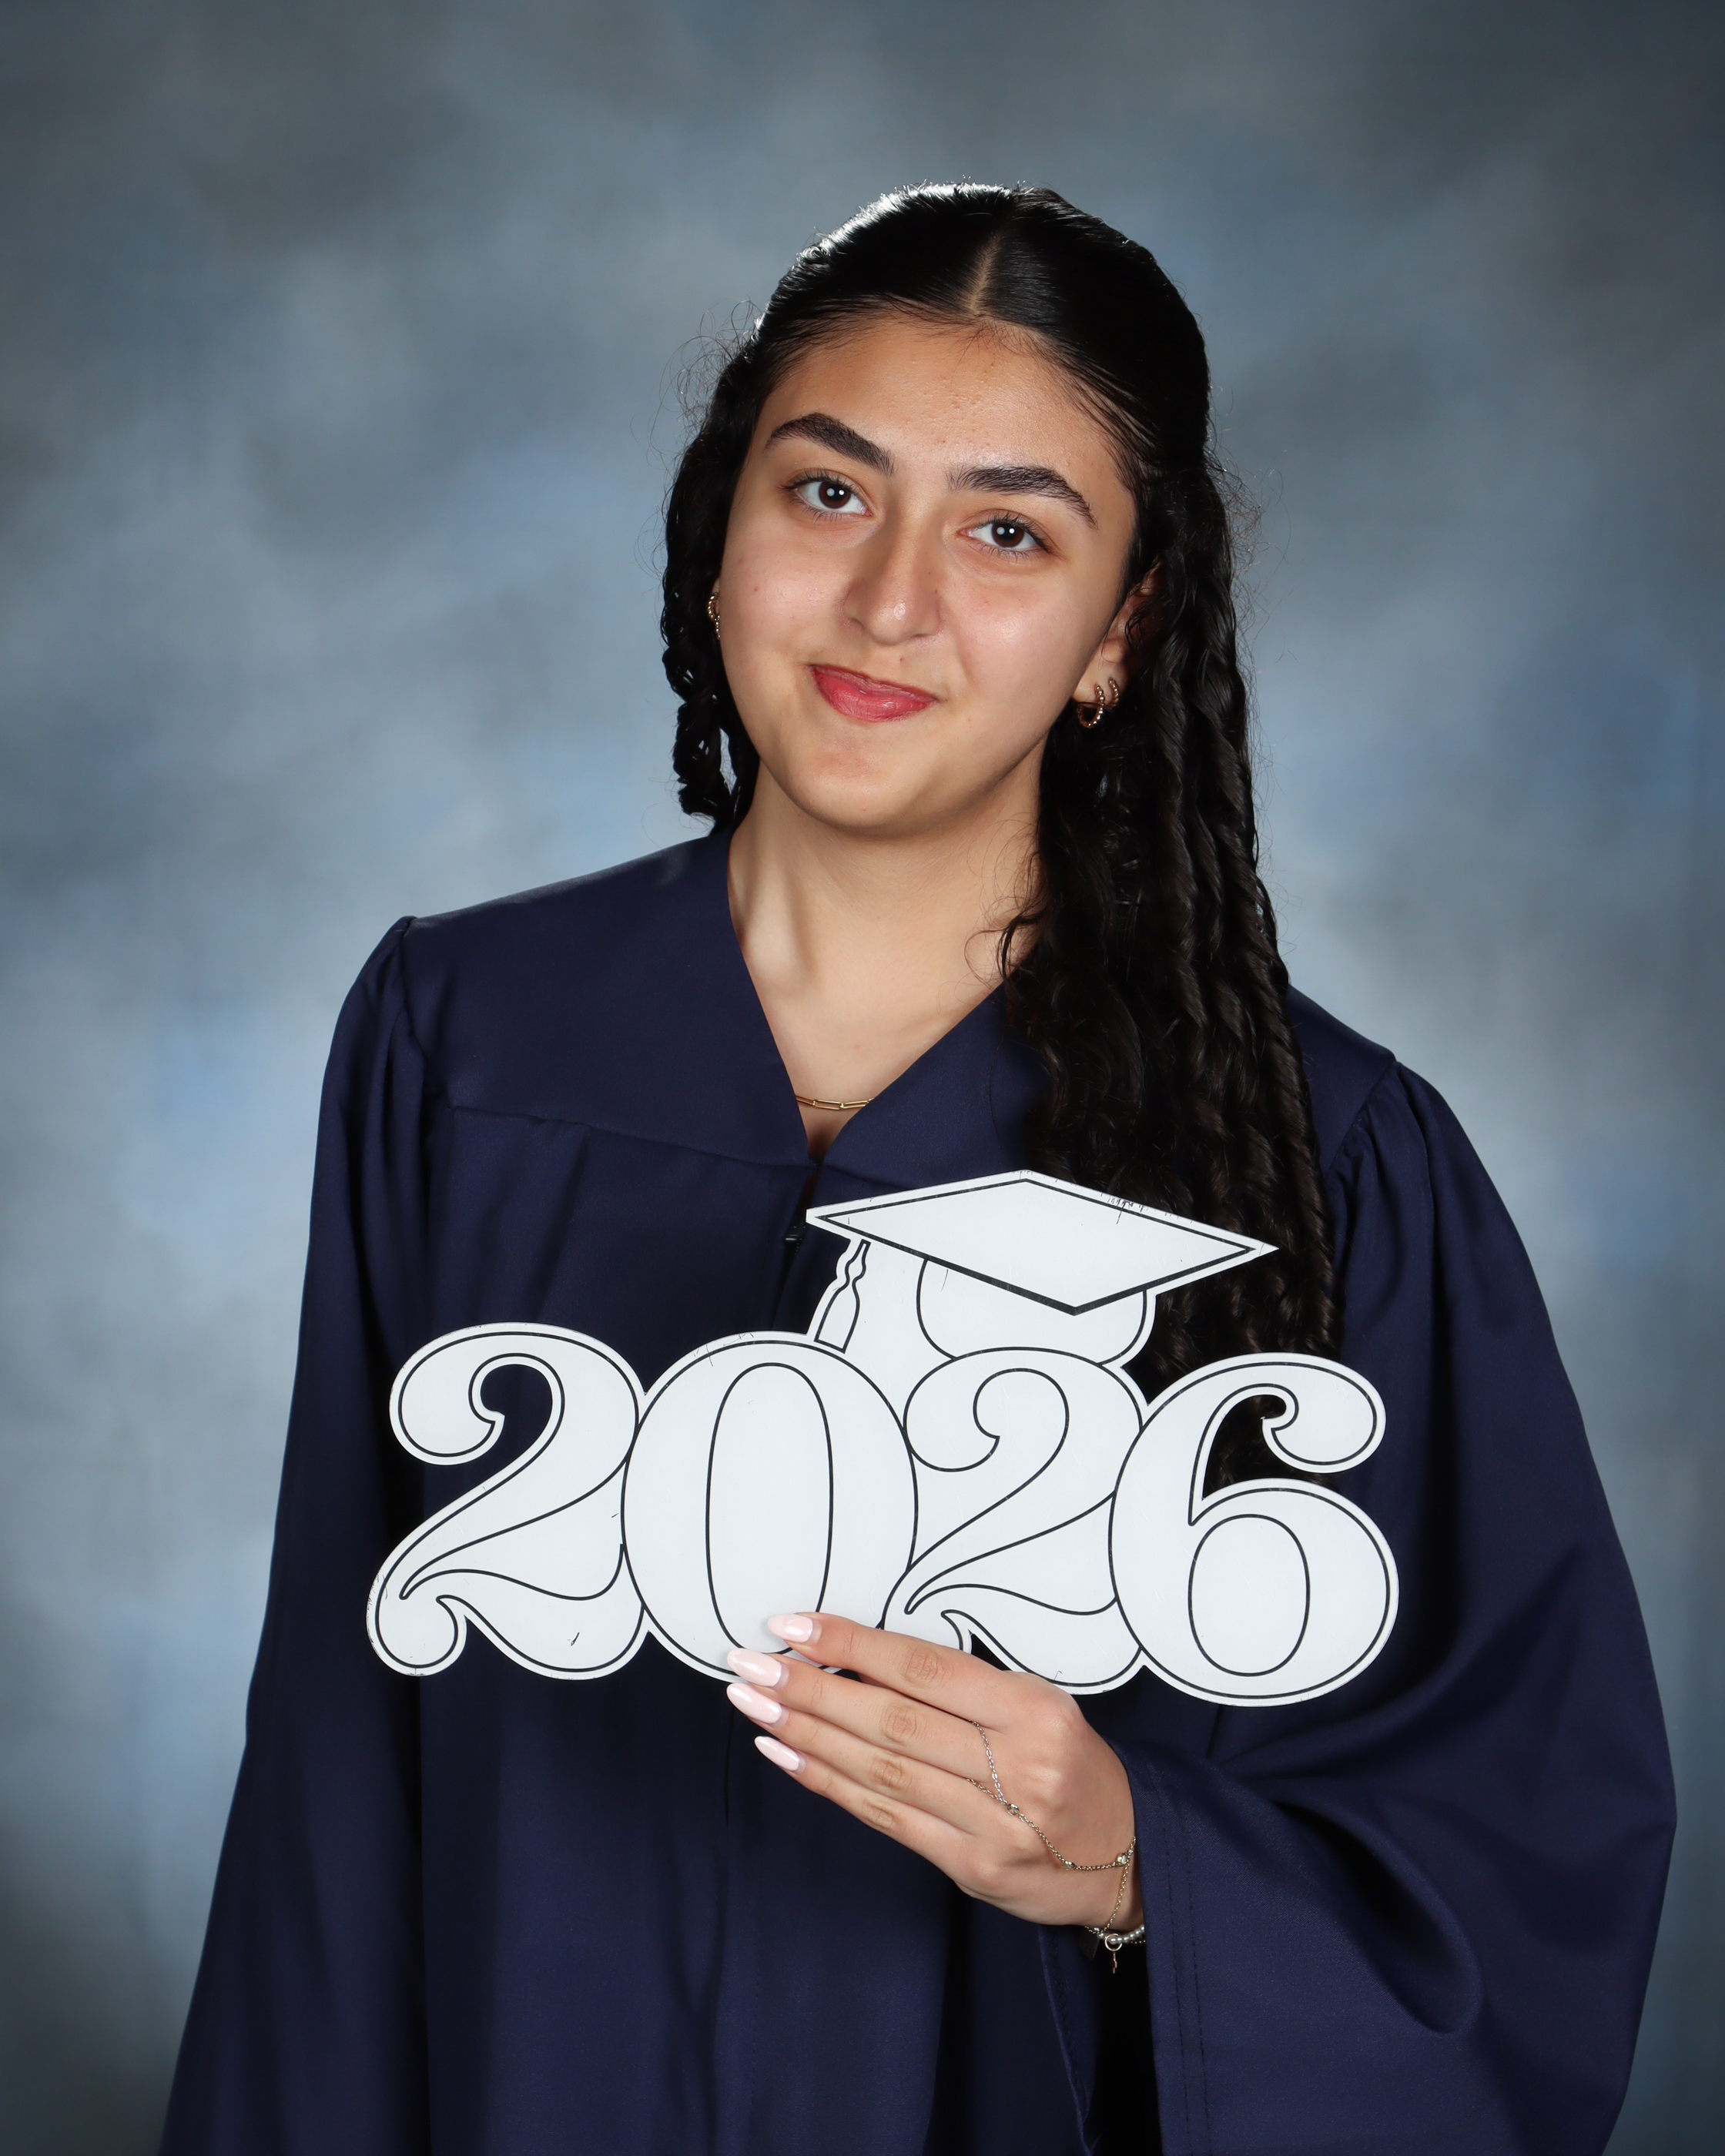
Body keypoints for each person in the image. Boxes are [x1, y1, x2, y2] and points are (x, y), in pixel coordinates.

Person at [158, 186, 1673, 2156]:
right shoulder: (464, 1041)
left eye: (1007, 531)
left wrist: (1131, 1857)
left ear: (1121, 630)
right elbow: (335, 1779)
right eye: (827, 492)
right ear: (718, 531)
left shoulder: (1322, 1155)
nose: (890, 603)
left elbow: (1520, 1858)